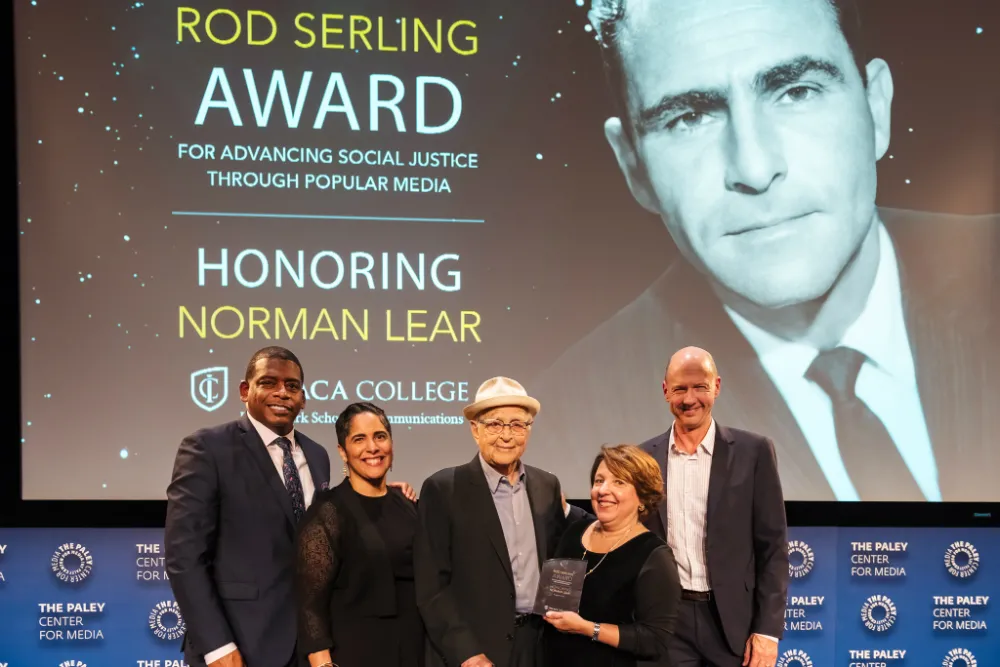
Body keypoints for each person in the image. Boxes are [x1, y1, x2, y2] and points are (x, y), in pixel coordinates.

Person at [529, 0, 999, 502]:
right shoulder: (572, 421)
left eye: (797, 91)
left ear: (876, 107)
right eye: (688, 118)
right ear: (634, 166)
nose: (754, 168)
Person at [165, 346, 413, 667]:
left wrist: (378, 493)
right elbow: (184, 557)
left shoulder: (317, 454)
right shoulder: (207, 448)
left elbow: (326, 528)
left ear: (303, 398)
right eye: (269, 383)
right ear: (245, 390)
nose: (282, 393)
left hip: (312, 645)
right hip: (239, 645)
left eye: (292, 386)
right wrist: (216, 645)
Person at [415, 376, 589, 667]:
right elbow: (432, 587)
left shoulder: (547, 484)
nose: (506, 435)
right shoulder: (443, 489)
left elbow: (558, 561)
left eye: (517, 425)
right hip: (475, 650)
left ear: (528, 430)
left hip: (538, 644)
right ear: (475, 429)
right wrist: (466, 652)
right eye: (495, 424)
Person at [640, 347, 787, 667]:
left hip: (733, 626)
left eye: (700, 387)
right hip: (666, 623)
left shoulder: (754, 452)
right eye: (679, 389)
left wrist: (767, 631)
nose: (689, 399)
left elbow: (773, 548)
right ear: (666, 391)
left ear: (716, 387)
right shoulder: (642, 459)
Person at [295, 402, 424, 667]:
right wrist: (322, 664)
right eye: (359, 439)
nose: (372, 448)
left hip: (416, 651)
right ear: (343, 451)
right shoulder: (327, 513)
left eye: (380, 436)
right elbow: (310, 605)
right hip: (357, 653)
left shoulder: (408, 504)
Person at [543, 444, 680, 667]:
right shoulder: (574, 532)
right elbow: (556, 599)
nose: (603, 490)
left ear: (642, 497)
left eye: (619, 482)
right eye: (599, 480)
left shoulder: (654, 556)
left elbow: (654, 640)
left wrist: (587, 628)